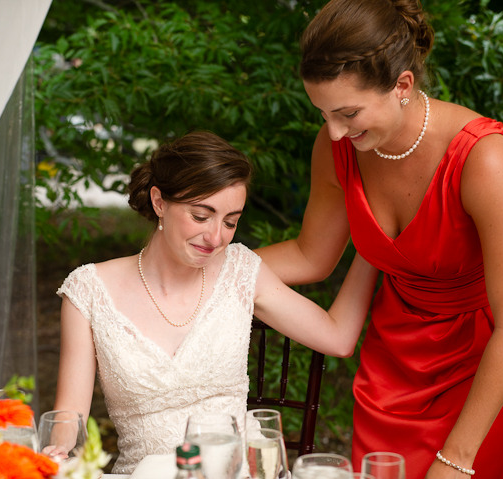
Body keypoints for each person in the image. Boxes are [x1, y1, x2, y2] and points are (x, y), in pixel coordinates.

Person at [256, 1, 503, 477]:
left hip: (488, 371)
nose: (334, 131)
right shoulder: (337, 147)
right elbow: (310, 255)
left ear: (402, 85)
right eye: (323, 113)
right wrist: (206, 263)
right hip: (393, 371)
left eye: (348, 112)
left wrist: (458, 457)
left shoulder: (485, 159)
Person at [50, 131, 378, 473]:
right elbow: (68, 421)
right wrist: (58, 455)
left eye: (230, 221)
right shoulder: (88, 290)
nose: (216, 237)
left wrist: (375, 248)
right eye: (201, 216)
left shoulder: (239, 269)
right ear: (159, 202)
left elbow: (338, 339)